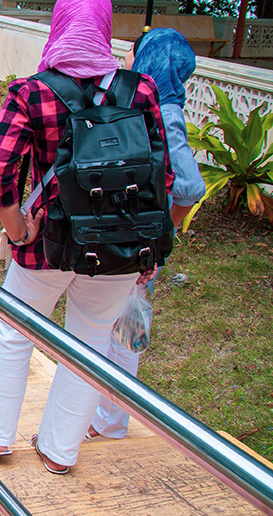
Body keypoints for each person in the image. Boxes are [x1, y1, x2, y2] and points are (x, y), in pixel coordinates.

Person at [0, 0, 172, 474]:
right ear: (105, 28)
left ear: (60, 25)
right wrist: (151, 248)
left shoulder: (33, 92)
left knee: (14, 334)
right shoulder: (141, 90)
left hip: (47, 241)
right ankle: (60, 451)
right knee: (89, 344)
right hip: (119, 246)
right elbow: (161, 173)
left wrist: (19, 229)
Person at [86, 27, 205, 441]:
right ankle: (106, 417)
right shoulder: (157, 105)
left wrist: (163, 232)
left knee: (114, 330)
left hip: (137, 239)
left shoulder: (164, 113)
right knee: (119, 325)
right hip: (139, 237)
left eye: (137, 55)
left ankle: (109, 419)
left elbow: (188, 186)